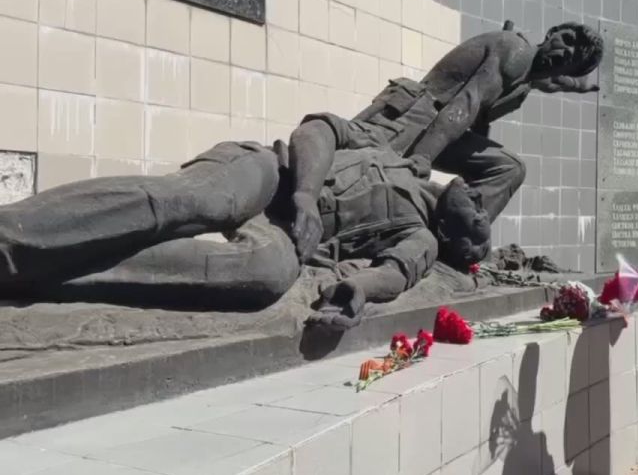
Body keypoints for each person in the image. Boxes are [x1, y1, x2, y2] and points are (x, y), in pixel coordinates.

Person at [0, 113, 491, 331]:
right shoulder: (394, 156)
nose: (479, 202)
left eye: (478, 221)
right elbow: (318, 131)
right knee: (202, 201)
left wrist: (358, 288)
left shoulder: (423, 237)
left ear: (451, 235)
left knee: (267, 274)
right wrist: (304, 193)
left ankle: (40, 273)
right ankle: (10, 236)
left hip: (288, 236)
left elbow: (396, 273)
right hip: (270, 172)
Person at [288, 22, 604, 260]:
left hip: (447, 130)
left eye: (572, 58)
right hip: (417, 116)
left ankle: (459, 240)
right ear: (551, 33)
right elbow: (468, 101)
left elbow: (556, 82)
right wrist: (424, 156)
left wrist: (581, 85)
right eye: (566, 41)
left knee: (510, 168)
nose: (564, 53)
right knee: (365, 171)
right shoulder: (516, 52)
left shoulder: (533, 76)